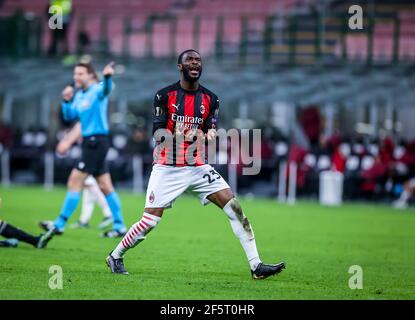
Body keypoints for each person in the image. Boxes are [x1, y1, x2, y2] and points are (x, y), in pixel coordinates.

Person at [106, 49, 286, 279]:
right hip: (168, 167)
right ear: (180, 67)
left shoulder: (211, 99)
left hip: (198, 167)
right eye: (189, 60)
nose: (194, 63)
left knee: (234, 208)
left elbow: (211, 126)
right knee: (150, 221)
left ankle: (256, 265)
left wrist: (210, 133)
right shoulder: (164, 95)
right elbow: (157, 134)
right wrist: (186, 134)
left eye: (198, 60)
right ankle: (116, 255)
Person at [40, 61, 126, 239]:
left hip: (97, 141)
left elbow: (106, 90)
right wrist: (66, 100)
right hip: (90, 142)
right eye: (75, 74)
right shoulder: (79, 95)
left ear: (91, 76)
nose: (76, 77)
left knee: (74, 180)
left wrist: (108, 77)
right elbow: (69, 116)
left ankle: (59, 224)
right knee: (105, 185)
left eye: (80, 73)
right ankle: (119, 226)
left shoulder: (97, 89)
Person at [56, 122, 113, 230]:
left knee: (94, 187)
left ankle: (108, 214)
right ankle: (84, 220)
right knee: (89, 191)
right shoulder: (87, 124)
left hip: (91, 158)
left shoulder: (87, 124)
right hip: (89, 156)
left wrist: (67, 140)